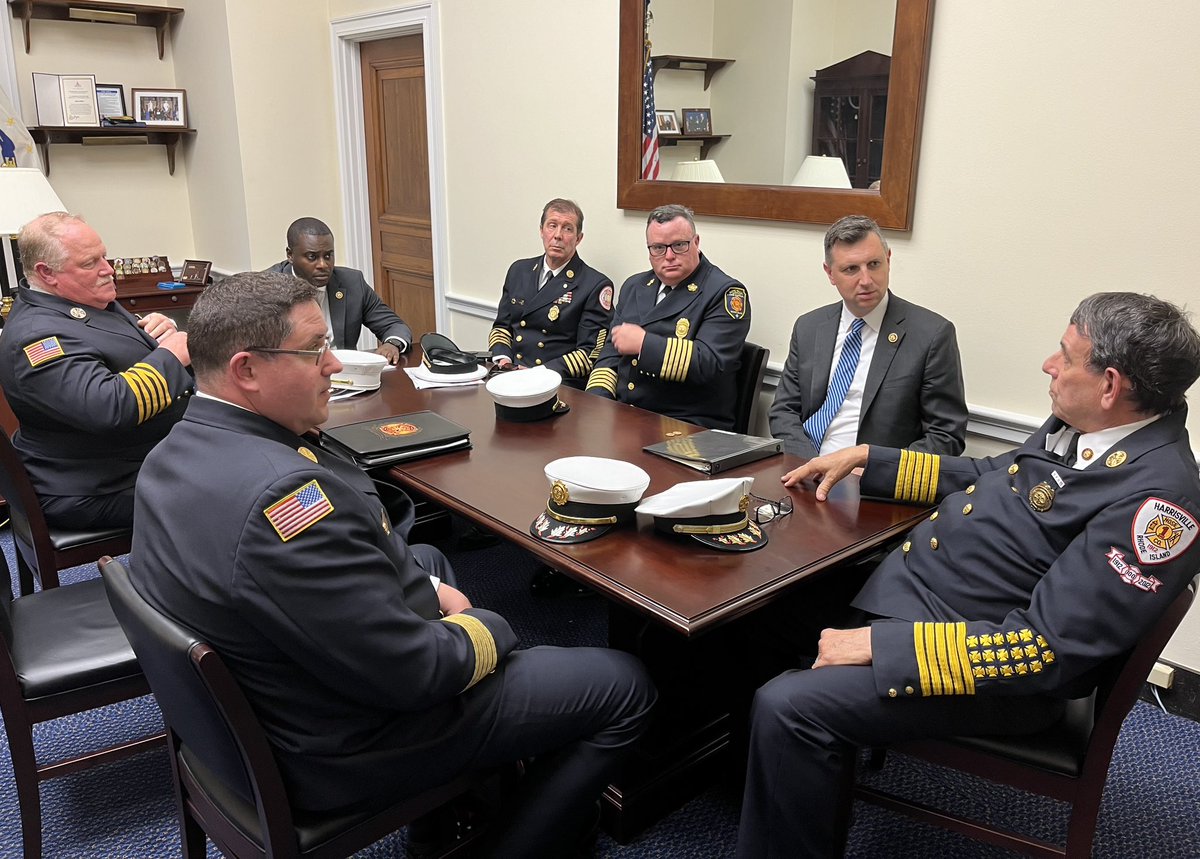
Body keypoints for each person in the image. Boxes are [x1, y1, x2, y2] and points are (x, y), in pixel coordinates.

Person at [130, 272, 655, 856]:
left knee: (428, 560)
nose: (332, 365)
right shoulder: (281, 502)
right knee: (622, 684)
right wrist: (488, 625)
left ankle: (455, 813)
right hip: (345, 746)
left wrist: (428, 591)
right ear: (246, 371)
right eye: (313, 351)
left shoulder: (170, 451)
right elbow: (414, 672)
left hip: (267, 702)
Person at [737, 292, 1200, 858]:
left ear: (1109, 385)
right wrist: (869, 458)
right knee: (751, 609)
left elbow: (1046, 652)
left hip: (996, 672)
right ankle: (769, 785)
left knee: (791, 706)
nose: (1049, 365)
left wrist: (882, 646)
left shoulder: (1157, 501)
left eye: (1064, 354)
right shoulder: (1087, 427)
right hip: (926, 596)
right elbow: (990, 475)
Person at [0, 212, 191, 529]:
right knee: (233, 490)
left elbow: (113, 348)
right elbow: (108, 407)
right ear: (47, 273)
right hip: (95, 483)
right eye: (91, 263)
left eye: (105, 256)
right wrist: (171, 355)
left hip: (128, 459)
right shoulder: (36, 338)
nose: (108, 270)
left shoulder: (77, 301)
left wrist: (162, 330)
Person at [770, 214, 967, 459]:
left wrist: (874, 469)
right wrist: (810, 465)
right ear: (830, 273)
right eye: (851, 269)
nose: (866, 280)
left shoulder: (932, 335)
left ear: (888, 260)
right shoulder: (809, 327)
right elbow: (784, 411)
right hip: (804, 467)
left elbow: (945, 436)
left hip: (871, 480)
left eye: (874, 264)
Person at [586, 204, 750, 429]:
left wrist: (644, 344)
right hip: (627, 417)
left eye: (679, 245)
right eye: (658, 248)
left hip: (688, 425)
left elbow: (711, 363)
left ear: (696, 242)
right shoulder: (635, 286)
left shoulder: (725, 293)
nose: (669, 256)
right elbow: (610, 353)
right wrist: (598, 399)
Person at [488, 199, 614, 387]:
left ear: (578, 238)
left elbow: (589, 353)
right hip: (510, 374)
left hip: (556, 382)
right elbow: (502, 327)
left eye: (567, 229)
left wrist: (537, 374)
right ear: (541, 231)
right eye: (552, 226)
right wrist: (504, 361)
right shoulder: (519, 270)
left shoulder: (595, 285)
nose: (557, 235)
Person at [268, 217, 412, 364]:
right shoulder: (268, 289)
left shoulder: (352, 282)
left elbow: (394, 326)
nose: (323, 264)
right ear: (290, 255)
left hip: (345, 374)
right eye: (312, 257)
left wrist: (392, 344)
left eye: (328, 255)